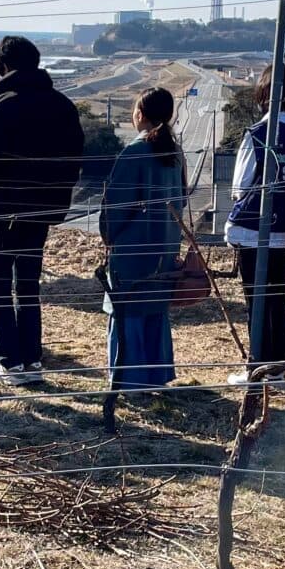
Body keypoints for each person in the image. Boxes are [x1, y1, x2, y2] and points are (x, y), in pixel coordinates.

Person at [0, 35, 84, 384]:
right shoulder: (63, 105)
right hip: (43, 208)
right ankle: (31, 360)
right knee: (28, 283)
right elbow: (74, 162)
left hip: (2, 207)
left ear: (2, 66)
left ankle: (9, 361)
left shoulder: (5, 104)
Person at [223, 63, 285, 385]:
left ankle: (258, 369)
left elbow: (240, 188)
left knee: (256, 300)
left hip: (254, 231)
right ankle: (278, 367)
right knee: (278, 295)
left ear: (265, 94)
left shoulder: (258, 134)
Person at [100, 87, 187, 390]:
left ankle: (127, 380)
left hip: (132, 252)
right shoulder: (174, 153)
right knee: (154, 313)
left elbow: (114, 209)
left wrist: (109, 238)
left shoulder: (133, 153)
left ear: (139, 114)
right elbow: (182, 201)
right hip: (165, 248)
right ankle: (156, 378)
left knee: (126, 314)